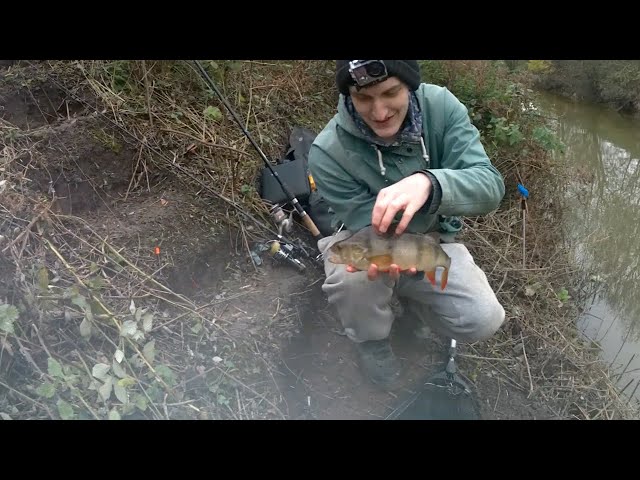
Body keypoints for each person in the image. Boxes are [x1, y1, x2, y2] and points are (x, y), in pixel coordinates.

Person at [307, 60, 506, 389]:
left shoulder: (442, 107)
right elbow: (369, 225)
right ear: (348, 96)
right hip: (367, 237)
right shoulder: (327, 153)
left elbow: (490, 186)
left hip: (430, 241)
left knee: (484, 317)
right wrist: (385, 259)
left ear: (409, 85)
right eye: (364, 98)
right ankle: (372, 341)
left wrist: (431, 184)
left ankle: (414, 308)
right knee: (351, 279)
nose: (380, 111)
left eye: (391, 92)